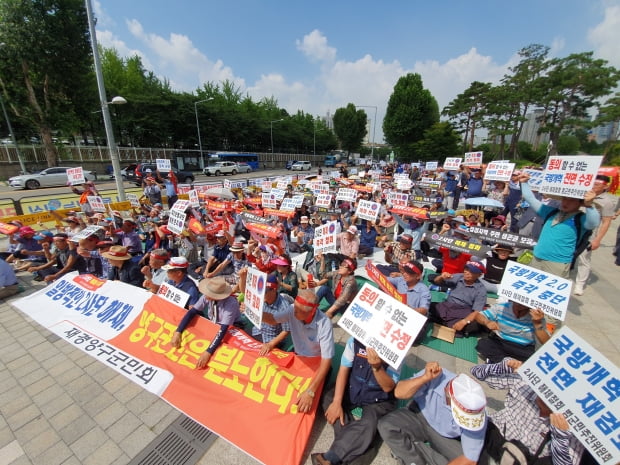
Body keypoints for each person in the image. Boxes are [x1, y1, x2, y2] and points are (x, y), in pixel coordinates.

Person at [471, 358, 584, 465]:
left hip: (525, 460)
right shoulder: (525, 382)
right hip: (492, 437)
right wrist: (501, 367)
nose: (546, 396)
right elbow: (476, 372)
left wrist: (560, 438)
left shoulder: (572, 427)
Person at [311, 339, 400, 465]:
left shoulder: (397, 351)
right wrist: (336, 402)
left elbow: (388, 387)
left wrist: (377, 368)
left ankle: (330, 458)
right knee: (328, 397)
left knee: (370, 423)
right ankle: (360, 442)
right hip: (353, 389)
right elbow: (343, 369)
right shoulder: (355, 341)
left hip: (378, 400)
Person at [378, 362, 487, 465]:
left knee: (469, 460)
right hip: (418, 415)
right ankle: (417, 459)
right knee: (386, 425)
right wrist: (424, 378)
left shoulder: (477, 415)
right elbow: (399, 392)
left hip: (445, 436)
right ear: (448, 395)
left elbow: (470, 459)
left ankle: (410, 452)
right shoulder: (437, 375)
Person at [261, 289, 334, 413]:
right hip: (298, 359)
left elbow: (326, 360)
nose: (294, 313)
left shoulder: (324, 324)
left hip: (316, 364)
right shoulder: (292, 309)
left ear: (312, 312)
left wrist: (311, 392)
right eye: (295, 308)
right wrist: (255, 312)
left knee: (311, 404)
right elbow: (273, 319)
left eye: (299, 311)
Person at [518, 171, 600, 279]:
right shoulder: (550, 211)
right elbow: (531, 199)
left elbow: (593, 223)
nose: (566, 202)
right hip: (537, 258)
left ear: (580, 203)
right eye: (565, 198)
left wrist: (589, 206)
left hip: (558, 263)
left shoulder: (581, 218)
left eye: (572, 200)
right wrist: (524, 183)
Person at [171, 276, 241, 369]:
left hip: (230, 330)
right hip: (212, 325)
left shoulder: (231, 303)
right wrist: (178, 331)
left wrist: (208, 352)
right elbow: (192, 312)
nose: (206, 295)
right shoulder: (206, 297)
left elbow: (223, 329)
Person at [573, 174, 617, 295]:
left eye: (597, 185)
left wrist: (597, 239)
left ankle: (580, 284)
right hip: (572, 229)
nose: (593, 186)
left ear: (605, 186)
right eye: (592, 183)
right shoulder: (583, 193)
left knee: (584, 259)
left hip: (588, 234)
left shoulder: (607, 202)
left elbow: (606, 222)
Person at [474, 301, 550, 363]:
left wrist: (537, 324)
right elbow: (479, 316)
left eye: (523, 303)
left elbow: (546, 341)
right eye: (517, 302)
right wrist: (487, 322)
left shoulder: (536, 316)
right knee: (483, 344)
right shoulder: (502, 307)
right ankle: (508, 363)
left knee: (538, 359)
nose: (519, 304)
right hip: (501, 342)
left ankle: (500, 362)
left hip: (523, 348)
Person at [430, 260, 487, 335]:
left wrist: (464, 322)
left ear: (479, 275)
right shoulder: (458, 277)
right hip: (447, 306)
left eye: (471, 271)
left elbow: (477, 311)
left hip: (463, 312)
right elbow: (437, 282)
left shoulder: (481, 290)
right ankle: (446, 322)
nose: (467, 272)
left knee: (475, 325)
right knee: (429, 306)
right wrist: (441, 277)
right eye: (466, 269)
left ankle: (441, 321)